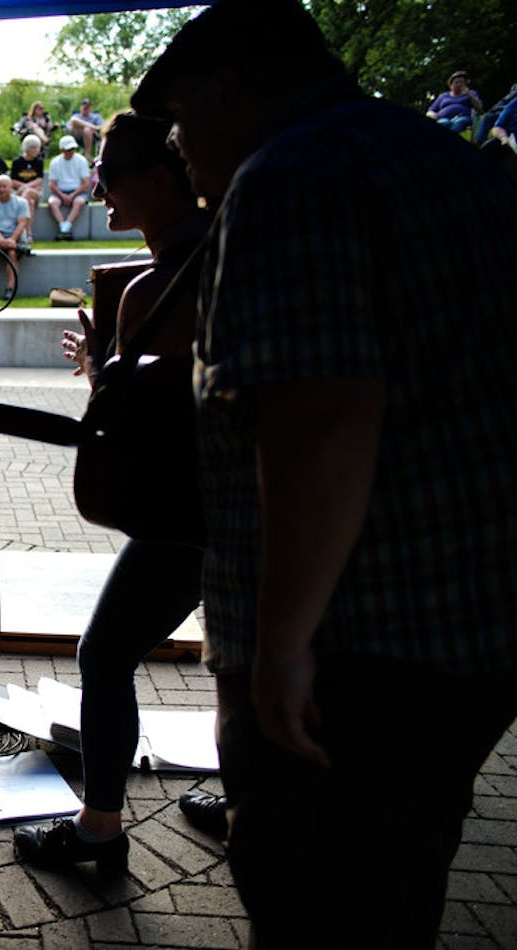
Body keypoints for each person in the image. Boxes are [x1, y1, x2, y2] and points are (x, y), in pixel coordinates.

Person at [130, 1, 517, 944]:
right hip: (471, 631)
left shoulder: (289, 181)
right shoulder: (441, 163)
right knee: (398, 887)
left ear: (227, 90)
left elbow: (322, 419)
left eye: (180, 118)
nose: (177, 148)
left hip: (359, 651)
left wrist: (282, 645)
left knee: (318, 902)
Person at [13, 111, 216, 874]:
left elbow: (131, 427)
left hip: (188, 512)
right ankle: (249, 803)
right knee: (244, 659)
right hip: (242, 505)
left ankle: (99, 832)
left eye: (112, 182)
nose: (100, 195)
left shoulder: (154, 291)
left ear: (160, 181)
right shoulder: (228, 255)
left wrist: (104, 376)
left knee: (103, 655)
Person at [0, 175, 30, 293]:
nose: (1, 189)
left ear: (11, 187)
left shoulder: (22, 203)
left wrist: (12, 239)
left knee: (11, 252)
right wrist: (1, 239)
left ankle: (10, 288)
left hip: (16, 237)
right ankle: (22, 249)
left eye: (4, 186)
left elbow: (22, 223)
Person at [47, 134, 91, 239]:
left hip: (78, 191)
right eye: (68, 149)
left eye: (72, 149)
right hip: (60, 191)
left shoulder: (81, 161)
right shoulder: (55, 162)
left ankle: (65, 227)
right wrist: (63, 195)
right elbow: (52, 184)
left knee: (79, 202)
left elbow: (85, 183)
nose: (71, 151)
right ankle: (63, 226)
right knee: (52, 202)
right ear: (62, 150)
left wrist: (72, 195)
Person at [9, 133, 48, 226]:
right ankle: (28, 233)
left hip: (35, 192)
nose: (36, 150)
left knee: (28, 193)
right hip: (19, 192)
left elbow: (39, 180)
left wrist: (25, 187)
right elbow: (13, 181)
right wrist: (23, 188)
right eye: (33, 147)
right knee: (29, 202)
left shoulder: (39, 162)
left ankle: (19, 226)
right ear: (26, 147)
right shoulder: (17, 162)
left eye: (37, 148)